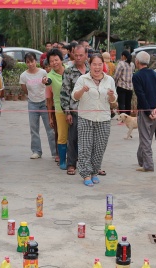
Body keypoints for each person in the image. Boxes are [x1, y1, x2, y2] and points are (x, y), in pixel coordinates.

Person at [72, 54, 117, 187]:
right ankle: (86, 174)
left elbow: (113, 101)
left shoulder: (109, 80)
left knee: (99, 148)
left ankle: (94, 172)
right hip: (86, 118)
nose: (97, 67)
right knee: (85, 147)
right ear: (89, 65)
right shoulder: (83, 79)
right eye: (94, 64)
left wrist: (111, 95)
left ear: (103, 65)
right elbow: (75, 97)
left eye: (99, 64)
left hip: (103, 119)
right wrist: (82, 90)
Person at [132, 51, 156, 172]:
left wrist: (148, 112)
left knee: (145, 138)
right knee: (148, 137)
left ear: (137, 61)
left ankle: (148, 164)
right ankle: (141, 159)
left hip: (145, 110)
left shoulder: (137, 76)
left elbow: (141, 95)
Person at [20, 52, 56, 160]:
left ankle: (55, 152)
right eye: (28, 62)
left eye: (32, 61)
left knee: (50, 128)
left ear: (36, 61)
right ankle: (36, 151)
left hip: (45, 103)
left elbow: (49, 84)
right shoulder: (23, 76)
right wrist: (32, 97)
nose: (30, 64)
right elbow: (24, 89)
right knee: (34, 128)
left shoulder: (43, 72)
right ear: (25, 63)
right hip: (32, 104)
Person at [60, 45, 89, 176]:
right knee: (73, 138)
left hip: (91, 109)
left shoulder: (92, 69)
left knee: (90, 139)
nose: (78, 58)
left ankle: (91, 165)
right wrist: (67, 112)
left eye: (81, 55)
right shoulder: (69, 71)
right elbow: (65, 92)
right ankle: (71, 164)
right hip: (75, 110)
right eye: (76, 55)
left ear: (86, 55)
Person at [46, 48, 67, 170]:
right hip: (59, 109)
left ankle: (74, 158)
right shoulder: (50, 76)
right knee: (62, 136)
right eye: (51, 61)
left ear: (61, 60)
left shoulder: (70, 71)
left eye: (56, 60)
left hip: (75, 109)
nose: (54, 63)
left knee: (75, 135)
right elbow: (47, 83)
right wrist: (50, 116)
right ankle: (63, 160)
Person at [114, 50, 134, 115]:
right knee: (128, 103)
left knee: (121, 103)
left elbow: (117, 75)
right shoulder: (132, 64)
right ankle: (128, 116)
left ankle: (122, 118)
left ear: (123, 56)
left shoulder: (121, 63)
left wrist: (114, 83)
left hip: (121, 86)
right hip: (130, 87)